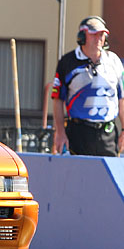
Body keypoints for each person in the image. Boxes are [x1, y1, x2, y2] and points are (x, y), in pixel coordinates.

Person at [52, 16, 124, 156]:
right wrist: (60, 132)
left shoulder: (114, 62)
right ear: (82, 37)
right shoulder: (67, 62)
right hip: (78, 133)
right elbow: (57, 99)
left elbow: (122, 98)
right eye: (94, 35)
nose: (99, 39)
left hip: (108, 134)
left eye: (102, 35)